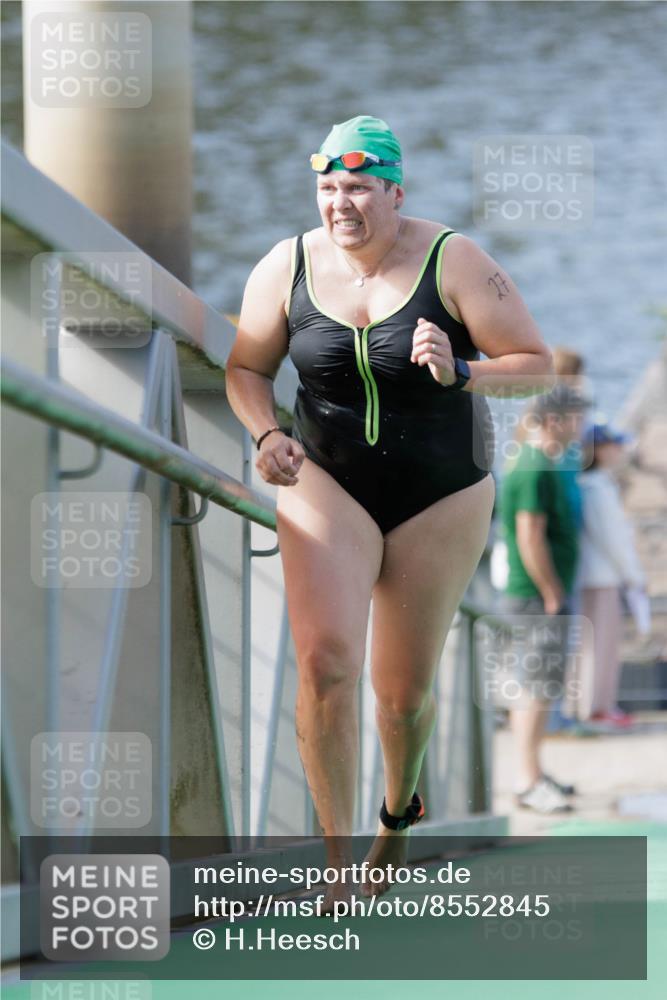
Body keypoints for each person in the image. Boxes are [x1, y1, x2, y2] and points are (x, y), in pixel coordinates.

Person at [225, 115, 552, 898]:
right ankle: (339, 868)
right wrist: (265, 432)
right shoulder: (285, 265)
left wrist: (463, 371)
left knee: (400, 697)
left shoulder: (454, 260)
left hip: (440, 489)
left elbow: (534, 366)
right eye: (328, 187)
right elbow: (243, 368)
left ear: (395, 192)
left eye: (359, 188)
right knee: (325, 664)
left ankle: (396, 816)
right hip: (324, 478)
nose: (341, 204)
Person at [500, 385, 588, 814]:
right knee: (535, 687)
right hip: (537, 597)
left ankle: (535, 772)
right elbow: (528, 535)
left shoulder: (541, 460)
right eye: (577, 418)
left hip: (542, 595)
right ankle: (527, 780)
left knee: (544, 685)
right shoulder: (534, 465)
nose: (582, 427)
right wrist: (553, 591)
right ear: (556, 420)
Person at [574, 423, 646, 726]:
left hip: (595, 577)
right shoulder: (598, 488)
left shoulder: (592, 484)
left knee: (595, 645)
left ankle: (595, 706)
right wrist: (633, 575)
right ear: (601, 451)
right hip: (602, 578)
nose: (619, 451)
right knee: (599, 646)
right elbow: (614, 540)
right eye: (614, 445)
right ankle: (595, 708)